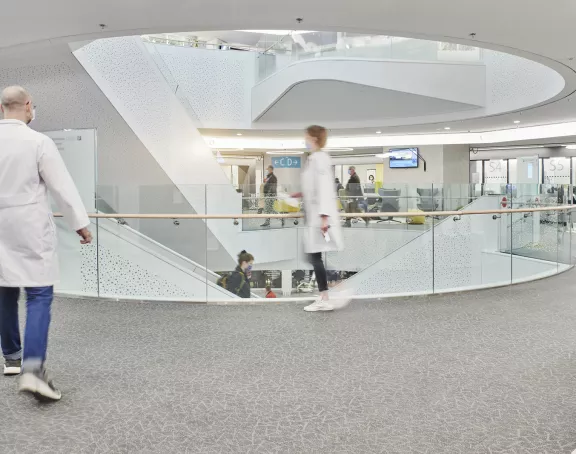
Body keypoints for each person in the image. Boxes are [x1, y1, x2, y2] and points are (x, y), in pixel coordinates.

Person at [0, 86, 92, 402]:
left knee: (4, 288)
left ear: (1, 108)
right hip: (29, 227)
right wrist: (80, 224)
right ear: (27, 106)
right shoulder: (38, 142)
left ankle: (12, 357)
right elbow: (61, 187)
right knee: (39, 293)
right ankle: (33, 369)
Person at [292, 125, 344, 312]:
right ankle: (328, 290)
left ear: (313, 138)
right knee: (312, 256)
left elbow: (323, 188)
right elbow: (314, 187)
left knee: (314, 257)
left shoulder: (319, 159)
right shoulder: (315, 158)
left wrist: (323, 218)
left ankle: (326, 295)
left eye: (306, 137)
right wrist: (300, 194)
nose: (304, 140)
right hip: (314, 214)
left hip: (318, 217)